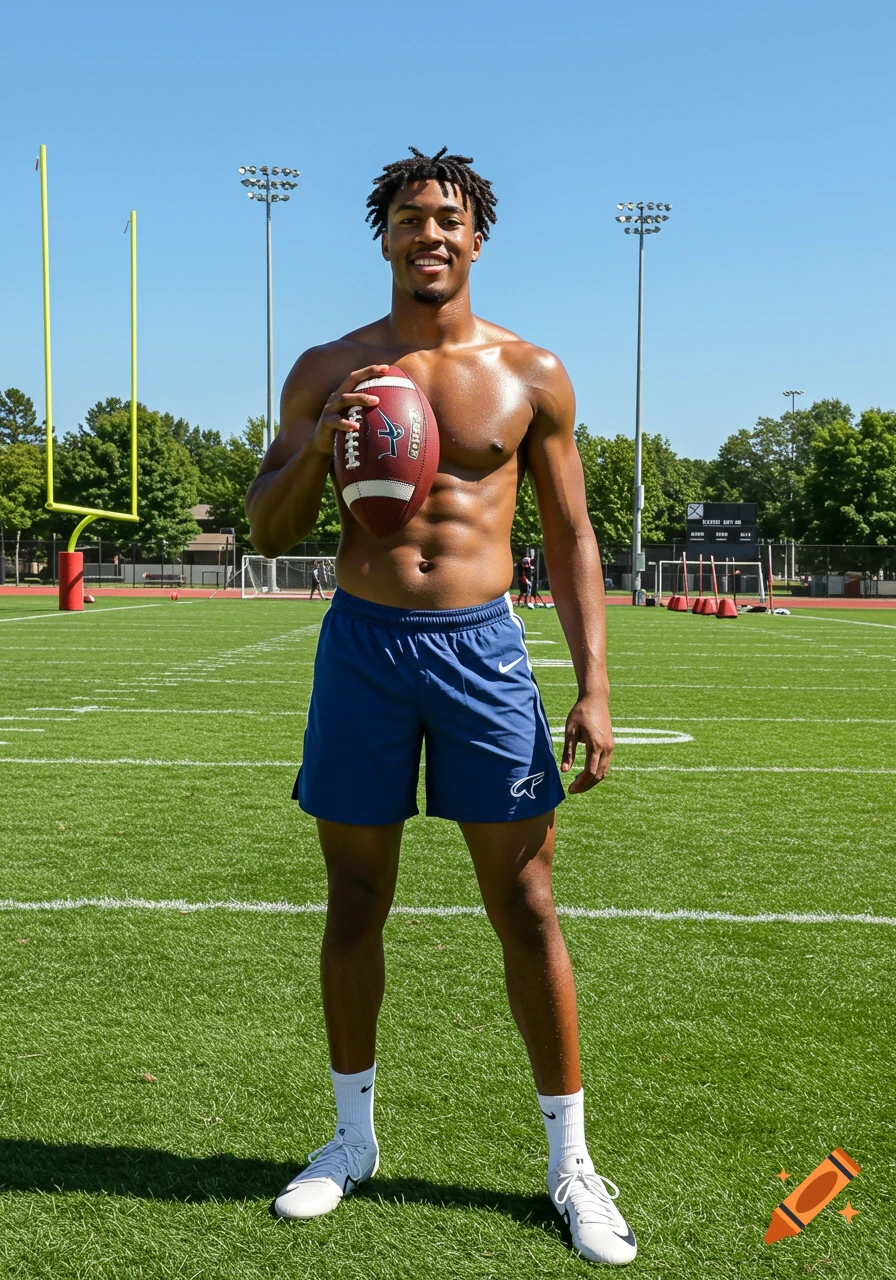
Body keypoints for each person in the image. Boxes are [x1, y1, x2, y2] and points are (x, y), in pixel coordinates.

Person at [246, 147, 631, 1267]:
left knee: (525, 902)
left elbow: (568, 536)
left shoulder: (532, 370)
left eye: (448, 219)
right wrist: (319, 448)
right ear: (384, 237)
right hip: (361, 644)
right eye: (411, 217)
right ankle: (350, 1139)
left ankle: (568, 1161)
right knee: (354, 893)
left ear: (476, 237)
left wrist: (594, 680)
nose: (430, 234)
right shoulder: (328, 366)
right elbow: (268, 526)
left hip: (480, 650)